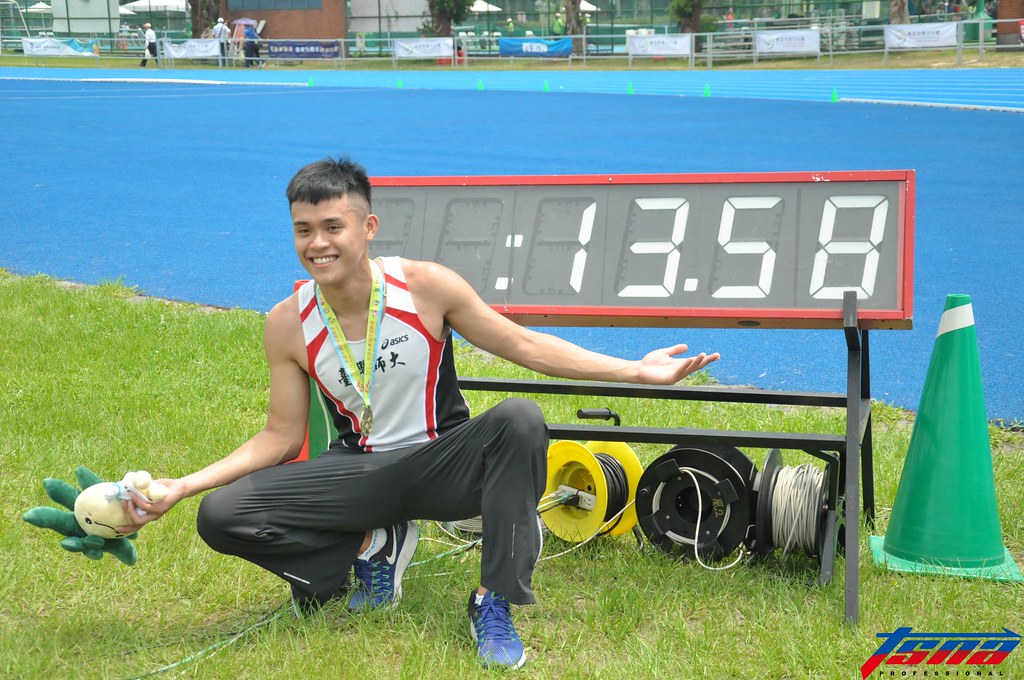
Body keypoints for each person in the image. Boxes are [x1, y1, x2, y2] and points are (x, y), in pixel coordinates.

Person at [118, 157, 719, 670]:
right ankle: (358, 559)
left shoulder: (426, 286)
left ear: (368, 226)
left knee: (519, 418)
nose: (318, 243)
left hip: (441, 464)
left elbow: (528, 347)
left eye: (333, 226)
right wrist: (186, 485)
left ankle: (493, 601)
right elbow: (279, 436)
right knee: (222, 515)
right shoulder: (286, 322)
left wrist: (635, 371)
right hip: (359, 474)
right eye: (303, 230)